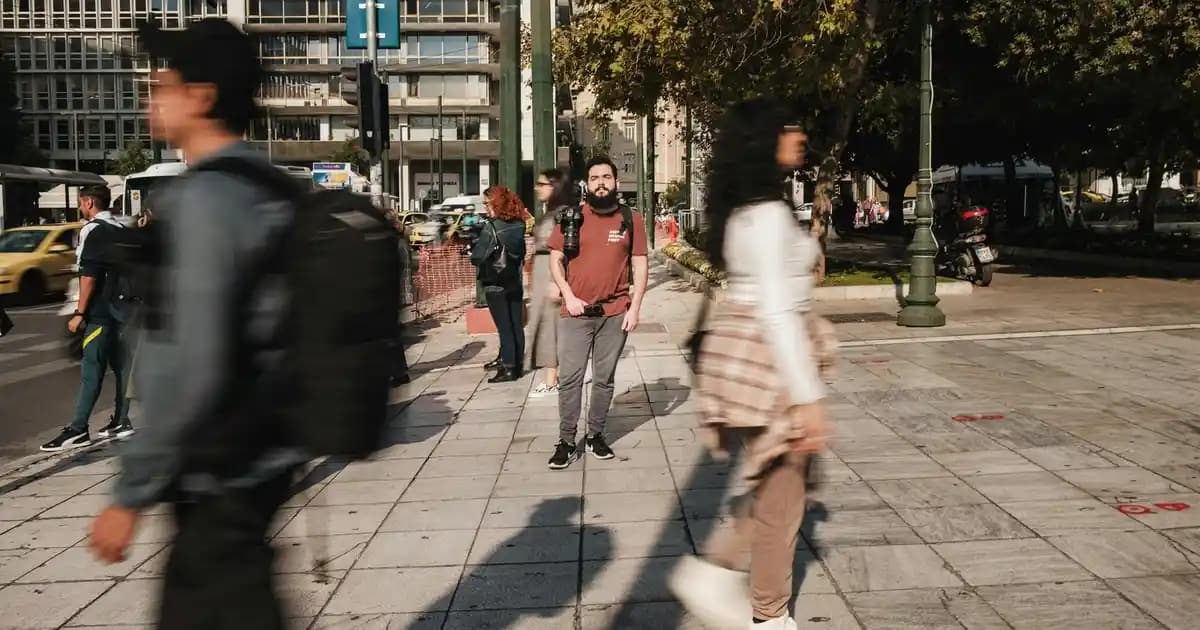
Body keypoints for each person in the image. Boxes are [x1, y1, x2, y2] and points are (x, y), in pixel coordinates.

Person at [88, 19, 307, 630]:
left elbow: (191, 365)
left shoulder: (205, 201)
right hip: (262, 458)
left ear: (202, 97)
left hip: (219, 475)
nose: (150, 94)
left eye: (163, 82)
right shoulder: (271, 189)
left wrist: (130, 494)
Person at [669, 100, 829, 630]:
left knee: (782, 486)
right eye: (788, 126)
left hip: (756, 356)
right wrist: (806, 398)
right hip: (769, 362)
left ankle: (717, 574)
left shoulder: (755, 208)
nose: (798, 133)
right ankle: (768, 615)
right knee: (784, 496)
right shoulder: (764, 215)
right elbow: (778, 312)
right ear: (764, 140)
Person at [545, 156, 648, 469]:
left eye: (606, 177)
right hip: (575, 313)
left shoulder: (631, 219)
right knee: (571, 379)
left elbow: (640, 264)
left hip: (615, 312)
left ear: (616, 182)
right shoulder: (572, 216)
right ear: (586, 183)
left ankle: (595, 435)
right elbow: (555, 259)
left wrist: (636, 307)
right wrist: (568, 294)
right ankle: (566, 440)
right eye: (594, 178)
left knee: (604, 380)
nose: (600, 182)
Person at [41, 185, 134, 452]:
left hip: (100, 313)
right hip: (123, 309)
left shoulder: (92, 230)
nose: (81, 208)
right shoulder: (121, 229)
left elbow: (89, 275)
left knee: (91, 367)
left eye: (82, 203)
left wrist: (80, 312)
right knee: (121, 366)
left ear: (89, 202)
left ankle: (78, 428)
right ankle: (121, 420)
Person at [470, 185, 528, 383]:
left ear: (496, 203)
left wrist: (473, 248)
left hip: (495, 282)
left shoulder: (491, 227)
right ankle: (518, 365)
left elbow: (478, 256)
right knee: (516, 325)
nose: (485, 207)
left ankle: (509, 368)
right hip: (514, 280)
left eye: (487, 203)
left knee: (504, 327)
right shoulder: (519, 224)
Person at [527, 168, 574, 398]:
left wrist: (558, 280)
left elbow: (566, 248)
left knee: (551, 328)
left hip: (551, 273)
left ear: (555, 187)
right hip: (543, 273)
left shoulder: (561, 214)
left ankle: (551, 379)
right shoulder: (550, 212)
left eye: (542, 183)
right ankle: (553, 377)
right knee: (546, 326)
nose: (538, 188)